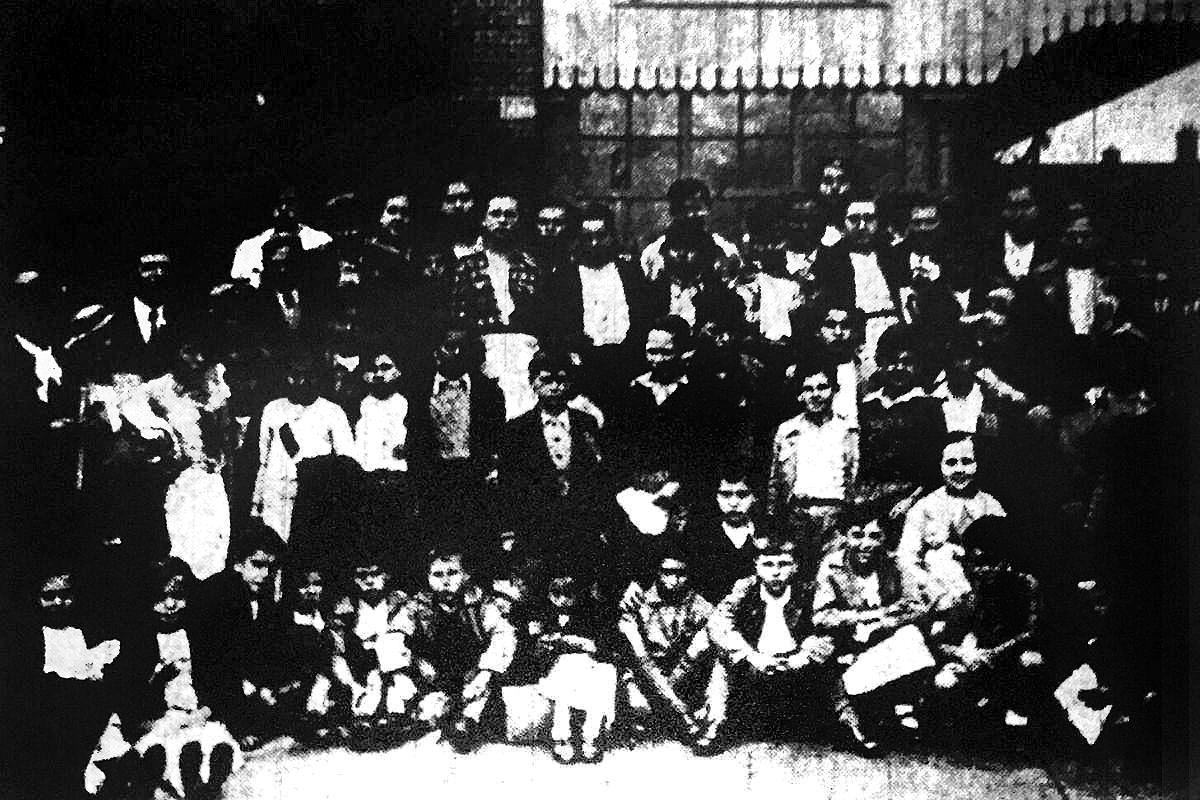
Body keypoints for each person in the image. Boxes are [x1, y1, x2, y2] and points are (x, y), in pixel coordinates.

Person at [107, 558, 242, 800]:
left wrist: (204, 712)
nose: (170, 604)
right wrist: (158, 679)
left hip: (198, 716)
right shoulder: (138, 641)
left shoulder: (200, 635)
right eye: (161, 598)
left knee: (215, 743)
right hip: (160, 721)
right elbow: (130, 695)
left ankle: (209, 786)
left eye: (178, 596)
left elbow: (220, 682)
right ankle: (187, 784)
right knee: (170, 750)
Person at [811, 516, 931, 754]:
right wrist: (867, 616)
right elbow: (821, 616)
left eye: (875, 536)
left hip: (884, 641)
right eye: (857, 536)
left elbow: (917, 606)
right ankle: (855, 715)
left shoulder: (895, 563)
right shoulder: (832, 565)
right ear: (845, 536)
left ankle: (902, 705)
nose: (865, 544)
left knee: (912, 636)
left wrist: (885, 623)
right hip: (847, 643)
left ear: (885, 539)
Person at [707, 535, 835, 744]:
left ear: (795, 567)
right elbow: (718, 623)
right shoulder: (745, 589)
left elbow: (828, 627)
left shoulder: (808, 591)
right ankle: (715, 721)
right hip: (757, 665)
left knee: (830, 665)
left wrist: (805, 654)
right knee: (722, 662)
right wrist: (750, 655)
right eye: (767, 564)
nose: (776, 572)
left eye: (784, 564)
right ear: (756, 567)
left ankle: (847, 721)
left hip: (797, 666)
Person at [929, 517, 1044, 739]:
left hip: (1009, 659)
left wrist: (994, 653)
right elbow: (940, 637)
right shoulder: (966, 593)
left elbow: (1032, 631)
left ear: (1005, 561)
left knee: (1031, 660)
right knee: (945, 681)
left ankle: (1020, 718)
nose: (984, 570)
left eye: (991, 562)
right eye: (976, 563)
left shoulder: (1024, 586)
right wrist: (962, 653)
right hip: (976, 659)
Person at [394, 547, 517, 752]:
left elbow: (503, 635)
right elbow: (394, 635)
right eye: (437, 575)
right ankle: (428, 714)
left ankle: (467, 718)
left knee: (475, 704)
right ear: (428, 577)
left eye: (452, 573)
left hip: (472, 672)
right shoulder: (417, 605)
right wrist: (400, 674)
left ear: (466, 575)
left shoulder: (480, 603)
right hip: (434, 672)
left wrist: (485, 674)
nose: (445, 581)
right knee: (424, 704)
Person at [496, 348, 610, 560]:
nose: (555, 387)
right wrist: (510, 531)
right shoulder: (517, 429)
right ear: (532, 382)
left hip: (581, 529)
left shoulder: (586, 423)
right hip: (535, 529)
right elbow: (509, 483)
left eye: (562, 380)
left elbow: (598, 477)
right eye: (546, 380)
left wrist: (600, 524)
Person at [617, 544, 725, 753]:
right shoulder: (637, 603)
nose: (673, 580)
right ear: (657, 572)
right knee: (639, 707)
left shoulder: (700, 604)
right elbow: (641, 658)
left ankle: (673, 714)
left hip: (684, 676)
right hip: (646, 675)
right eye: (667, 572)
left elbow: (705, 643)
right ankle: (680, 716)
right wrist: (678, 706)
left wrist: (671, 686)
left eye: (680, 574)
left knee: (707, 647)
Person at [188, 525, 287, 751]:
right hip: (210, 683)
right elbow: (213, 660)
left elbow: (263, 649)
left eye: (271, 568)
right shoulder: (216, 593)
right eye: (257, 565)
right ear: (237, 563)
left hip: (243, 680)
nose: (265, 574)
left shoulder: (263, 596)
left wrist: (263, 685)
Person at [544, 202, 651, 402]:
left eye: (601, 236)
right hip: (584, 367)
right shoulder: (565, 277)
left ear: (611, 236)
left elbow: (643, 318)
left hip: (627, 363)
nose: (594, 243)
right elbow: (558, 325)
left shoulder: (630, 272)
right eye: (587, 238)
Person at [408, 329, 506, 542]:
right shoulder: (419, 391)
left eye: (464, 347)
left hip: (476, 483)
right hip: (434, 483)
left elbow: (497, 440)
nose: (458, 353)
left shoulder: (489, 391)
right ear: (436, 352)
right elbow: (415, 443)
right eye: (450, 347)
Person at [251, 349, 356, 543]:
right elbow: (263, 460)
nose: (303, 382)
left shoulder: (333, 412)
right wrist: (257, 501)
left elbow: (346, 463)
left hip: (312, 497)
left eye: (310, 375)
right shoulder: (272, 409)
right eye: (296, 375)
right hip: (275, 494)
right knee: (274, 546)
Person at [767, 359, 858, 573]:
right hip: (796, 516)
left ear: (834, 390)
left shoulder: (847, 430)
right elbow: (775, 481)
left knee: (831, 572)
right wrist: (773, 521)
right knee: (796, 574)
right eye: (808, 389)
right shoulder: (787, 431)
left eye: (822, 387)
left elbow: (854, 476)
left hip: (834, 517)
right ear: (800, 394)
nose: (815, 395)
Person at [897, 435, 1006, 612]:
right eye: (951, 463)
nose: (959, 470)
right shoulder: (924, 507)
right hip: (941, 597)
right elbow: (906, 558)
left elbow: (1007, 551)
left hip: (986, 596)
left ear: (978, 464)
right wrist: (933, 590)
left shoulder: (991, 505)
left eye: (967, 462)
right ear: (940, 465)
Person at [524, 573, 617, 763]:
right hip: (555, 669)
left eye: (568, 595)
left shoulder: (586, 616)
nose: (562, 600)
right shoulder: (543, 616)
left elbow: (600, 645)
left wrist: (581, 643)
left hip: (585, 666)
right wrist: (545, 642)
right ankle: (562, 738)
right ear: (549, 595)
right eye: (556, 594)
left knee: (600, 678)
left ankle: (590, 737)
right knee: (564, 684)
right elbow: (534, 650)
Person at [810, 194, 906, 379]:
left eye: (869, 219)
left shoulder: (892, 256)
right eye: (854, 219)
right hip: (854, 341)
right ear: (842, 224)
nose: (862, 226)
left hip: (894, 338)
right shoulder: (830, 258)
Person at [327, 554, 415, 747]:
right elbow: (339, 649)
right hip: (362, 667)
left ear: (387, 575)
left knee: (393, 661)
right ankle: (364, 716)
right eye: (362, 575)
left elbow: (406, 637)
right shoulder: (347, 608)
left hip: (395, 666)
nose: (369, 580)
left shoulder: (398, 603)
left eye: (375, 574)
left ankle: (393, 714)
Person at [640, 177, 740, 283]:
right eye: (685, 210)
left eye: (697, 210)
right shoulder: (653, 254)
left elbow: (731, 278)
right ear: (675, 211)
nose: (691, 215)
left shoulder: (726, 251)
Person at [230, 188, 332, 289]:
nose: (284, 208)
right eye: (280, 204)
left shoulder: (321, 240)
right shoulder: (249, 247)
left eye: (290, 203)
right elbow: (240, 280)